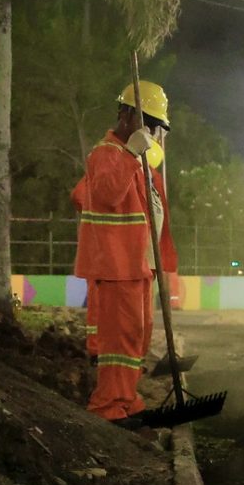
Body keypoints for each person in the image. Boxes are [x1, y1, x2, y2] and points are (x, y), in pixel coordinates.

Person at [73, 80, 171, 423]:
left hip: (135, 266)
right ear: (127, 114)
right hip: (115, 266)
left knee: (135, 338)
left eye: (158, 126)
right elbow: (106, 195)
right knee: (117, 342)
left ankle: (126, 399)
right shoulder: (107, 153)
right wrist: (130, 153)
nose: (155, 132)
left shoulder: (132, 159)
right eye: (151, 122)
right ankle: (108, 406)